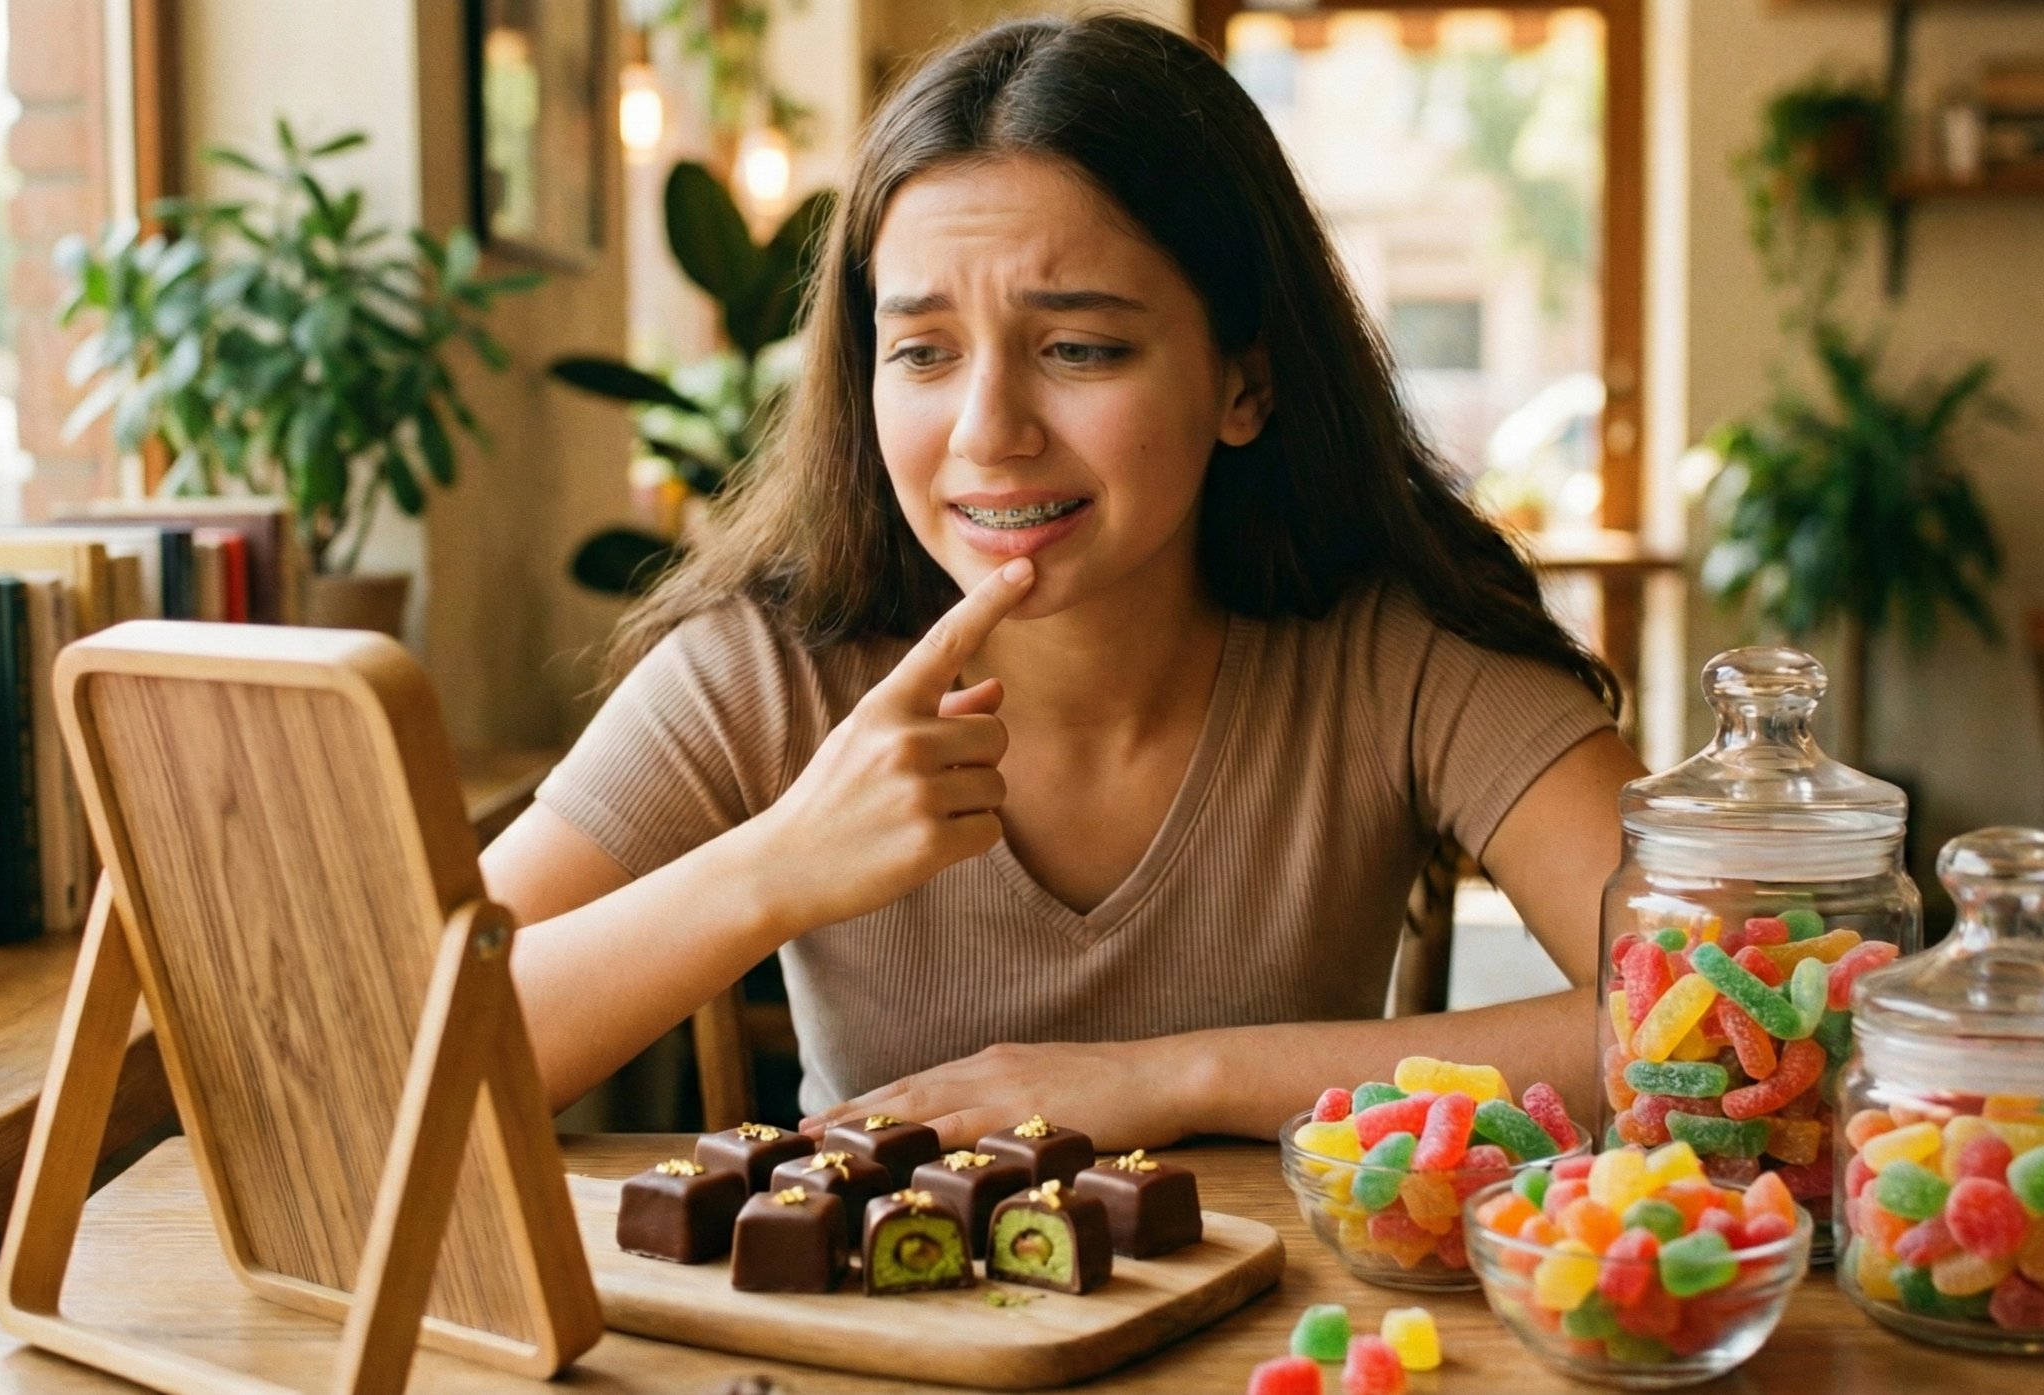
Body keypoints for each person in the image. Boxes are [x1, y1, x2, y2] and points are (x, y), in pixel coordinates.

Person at [485, 14, 1646, 1149]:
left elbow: (1706, 1017)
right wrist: (775, 866)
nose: (988, 434)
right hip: (874, 1337)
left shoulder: (1400, 647)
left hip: (1297, 1338)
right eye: (924, 351)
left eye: (1079, 349)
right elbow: (407, 1044)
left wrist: (1183, 1077)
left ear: (1246, 383)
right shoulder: (766, 666)